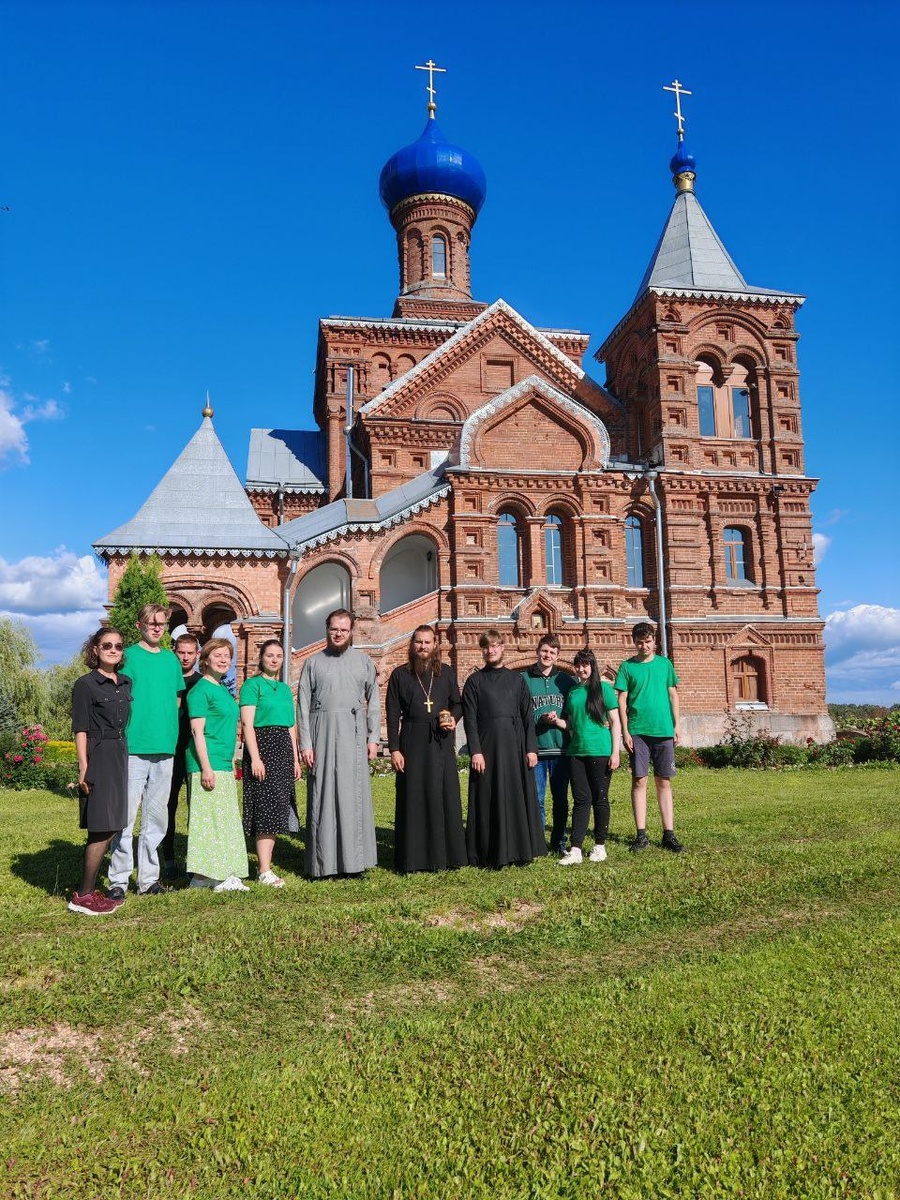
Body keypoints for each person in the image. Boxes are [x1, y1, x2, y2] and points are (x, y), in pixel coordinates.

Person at [107, 603, 185, 902]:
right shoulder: (128, 658)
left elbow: (176, 700)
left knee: (156, 817)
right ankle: (119, 880)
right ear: (140, 625)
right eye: (151, 623)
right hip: (133, 746)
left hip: (165, 748)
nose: (156, 627)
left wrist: (167, 732)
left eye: (161, 624)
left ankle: (149, 880)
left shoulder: (170, 660)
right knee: (125, 817)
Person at [297, 609, 380, 879]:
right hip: (321, 733)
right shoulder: (312, 663)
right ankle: (324, 864)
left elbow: (375, 703)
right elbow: (303, 706)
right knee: (323, 796)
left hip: (353, 734)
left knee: (352, 795)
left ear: (351, 631)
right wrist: (305, 744)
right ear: (327, 628)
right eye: (334, 628)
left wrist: (373, 737)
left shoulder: (364, 662)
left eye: (344, 629)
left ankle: (354, 863)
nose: (338, 633)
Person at [386, 625, 467, 873]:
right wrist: (395, 749)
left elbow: (457, 703)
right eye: (418, 642)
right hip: (411, 739)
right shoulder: (400, 675)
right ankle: (414, 858)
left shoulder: (446, 673)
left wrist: (453, 718)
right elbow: (392, 715)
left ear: (435, 645)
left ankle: (447, 856)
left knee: (444, 794)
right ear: (413, 645)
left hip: (440, 741)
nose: (423, 647)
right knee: (414, 796)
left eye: (427, 642)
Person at [462, 629, 545, 869]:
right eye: (487, 647)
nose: (491, 651)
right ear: (483, 651)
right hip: (486, 749)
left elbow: (528, 716)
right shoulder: (474, 681)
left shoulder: (517, 680)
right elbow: (469, 719)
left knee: (515, 795)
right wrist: (475, 751)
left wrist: (531, 749)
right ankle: (488, 852)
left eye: (495, 646)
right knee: (488, 797)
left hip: (515, 747)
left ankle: (519, 850)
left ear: (502, 648)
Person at [68, 629, 132, 915]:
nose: (113, 649)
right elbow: (80, 728)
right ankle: (83, 895)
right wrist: (84, 767)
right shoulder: (85, 684)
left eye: (118, 646)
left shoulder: (125, 683)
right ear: (95, 649)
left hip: (119, 752)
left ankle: (88, 891)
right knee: (100, 825)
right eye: (107, 645)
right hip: (99, 753)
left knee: (115, 822)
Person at [615, 621, 684, 853]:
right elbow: (622, 700)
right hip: (638, 732)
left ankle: (669, 834)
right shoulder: (627, 667)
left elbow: (673, 695)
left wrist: (677, 725)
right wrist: (625, 731)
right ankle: (641, 835)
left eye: (648, 641)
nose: (644, 646)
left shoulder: (665, 665)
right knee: (640, 780)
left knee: (663, 781)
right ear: (634, 643)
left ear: (654, 641)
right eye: (640, 642)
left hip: (663, 730)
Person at [186, 638, 249, 891]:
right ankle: (219, 875)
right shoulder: (200, 690)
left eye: (227, 655)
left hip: (223, 762)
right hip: (206, 763)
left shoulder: (222, 689)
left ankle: (206, 877)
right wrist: (206, 767)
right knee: (209, 821)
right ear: (206, 659)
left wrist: (231, 760)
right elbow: (197, 732)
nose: (223, 660)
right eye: (218, 655)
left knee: (224, 819)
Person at [239, 639, 301, 887]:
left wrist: (295, 758)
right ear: (261, 658)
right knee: (265, 808)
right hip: (262, 748)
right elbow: (247, 724)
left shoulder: (285, 689)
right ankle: (264, 869)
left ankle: (267, 865)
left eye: (279, 656)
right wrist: (255, 757)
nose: (274, 660)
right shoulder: (252, 685)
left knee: (277, 807)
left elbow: (291, 725)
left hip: (284, 750)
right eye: (270, 655)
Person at [553, 648, 621, 865]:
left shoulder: (604, 690)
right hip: (576, 752)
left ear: (592, 666)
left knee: (599, 799)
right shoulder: (573, 692)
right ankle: (576, 850)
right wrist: (555, 721)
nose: (581, 669)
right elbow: (570, 723)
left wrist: (615, 752)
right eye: (578, 665)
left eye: (585, 665)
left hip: (600, 751)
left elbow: (616, 722)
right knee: (581, 800)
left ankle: (600, 846)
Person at [521, 633, 574, 853]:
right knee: (537, 800)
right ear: (537, 651)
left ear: (557, 655)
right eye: (544, 651)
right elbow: (521, 714)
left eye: (552, 652)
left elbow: (574, 712)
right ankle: (537, 841)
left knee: (560, 800)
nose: (547, 655)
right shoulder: (523, 679)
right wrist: (540, 719)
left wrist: (561, 722)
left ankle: (559, 841)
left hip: (561, 750)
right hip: (537, 750)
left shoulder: (565, 680)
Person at [160, 632, 201, 879]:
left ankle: (194, 860)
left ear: (197, 654)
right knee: (168, 806)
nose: (185, 657)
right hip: (170, 751)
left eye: (190, 653)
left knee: (196, 807)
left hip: (194, 752)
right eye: (181, 652)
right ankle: (169, 859)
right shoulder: (167, 680)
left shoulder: (202, 682)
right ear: (174, 652)